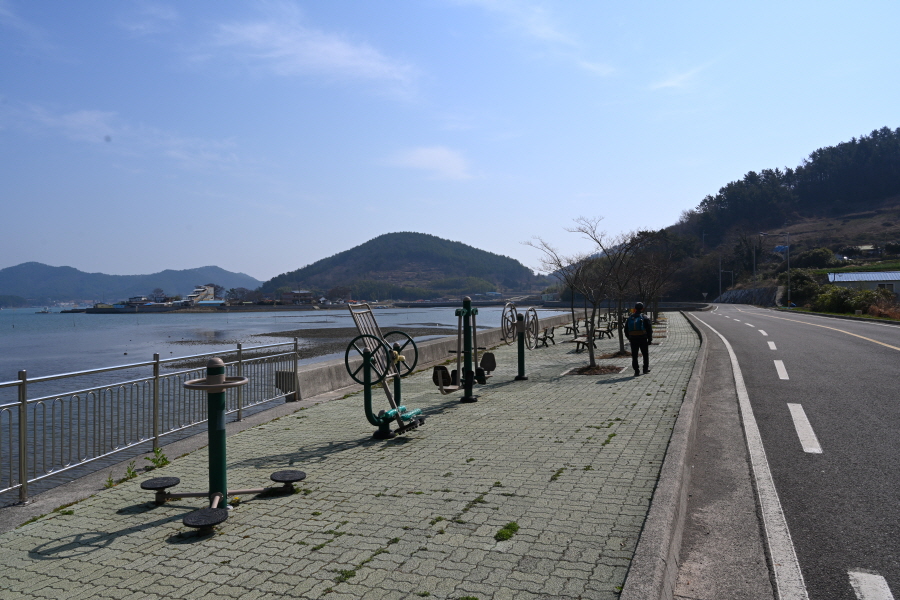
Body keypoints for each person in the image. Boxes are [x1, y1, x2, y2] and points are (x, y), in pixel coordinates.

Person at [625, 301, 653, 376]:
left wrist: (629, 337)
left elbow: (626, 330)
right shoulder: (645, 317)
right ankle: (645, 369)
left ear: (635, 308)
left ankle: (636, 371)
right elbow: (649, 329)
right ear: (642, 308)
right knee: (645, 354)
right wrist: (649, 339)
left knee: (634, 355)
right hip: (643, 338)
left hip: (633, 339)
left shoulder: (630, 318)